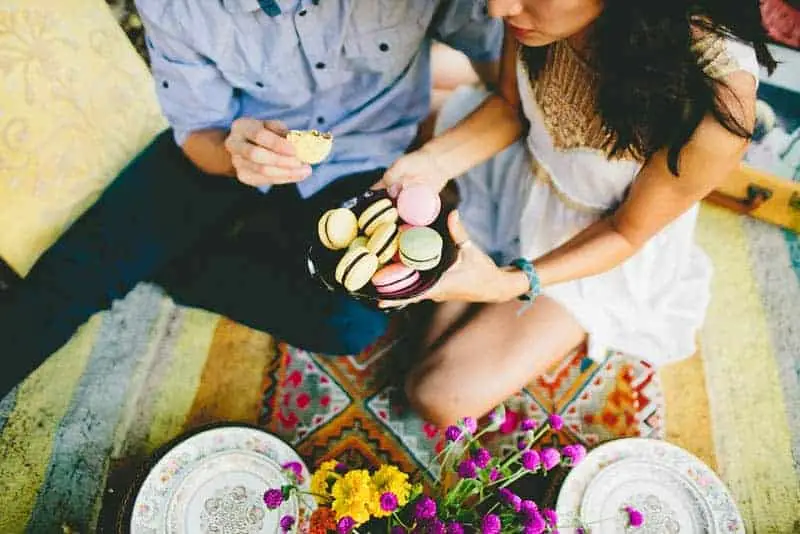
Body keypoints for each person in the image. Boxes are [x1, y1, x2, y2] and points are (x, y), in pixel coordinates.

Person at [0, 1, 503, 398]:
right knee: (79, 271)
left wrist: (445, 160)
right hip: (232, 139)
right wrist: (234, 155)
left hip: (365, 160)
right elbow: (199, 135)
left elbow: (503, 81)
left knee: (350, 322)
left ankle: (184, 269)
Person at [380, 0, 776, 426]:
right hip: (527, 168)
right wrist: (433, 164)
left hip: (598, 241)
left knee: (436, 396)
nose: (498, 9)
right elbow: (510, 108)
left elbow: (626, 232)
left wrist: (506, 284)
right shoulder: (529, 19)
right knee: (409, 87)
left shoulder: (717, 103)